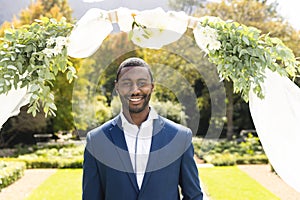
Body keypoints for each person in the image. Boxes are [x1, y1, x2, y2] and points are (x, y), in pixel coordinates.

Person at [82, 57, 203, 200]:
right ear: (117, 87)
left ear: (152, 86)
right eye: (127, 83)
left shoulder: (180, 137)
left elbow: (194, 196)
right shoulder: (96, 141)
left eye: (142, 83)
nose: (135, 90)